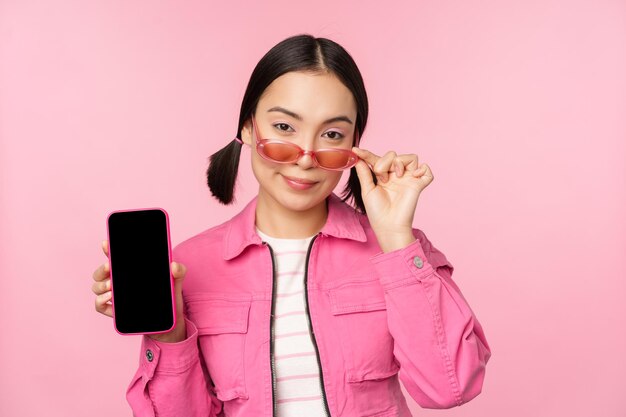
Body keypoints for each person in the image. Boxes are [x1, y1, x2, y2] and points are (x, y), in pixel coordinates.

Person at [92, 33, 491, 417]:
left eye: (332, 134)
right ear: (248, 127)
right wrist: (168, 334)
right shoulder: (189, 266)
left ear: (355, 145)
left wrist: (396, 241)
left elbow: (450, 388)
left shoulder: (399, 251)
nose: (305, 157)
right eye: (284, 127)